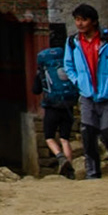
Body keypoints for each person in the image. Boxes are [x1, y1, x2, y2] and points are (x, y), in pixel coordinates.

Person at [62, 3, 108, 179]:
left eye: (83, 19)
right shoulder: (73, 42)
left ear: (93, 21)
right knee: (88, 134)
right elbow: (68, 66)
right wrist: (78, 82)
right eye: (77, 20)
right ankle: (93, 173)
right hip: (87, 96)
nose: (80, 24)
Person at [34, 23, 78, 178]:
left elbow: (36, 90)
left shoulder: (43, 71)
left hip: (51, 107)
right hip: (68, 106)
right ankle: (70, 169)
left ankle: (60, 157)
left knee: (49, 137)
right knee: (65, 139)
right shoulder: (66, 66)